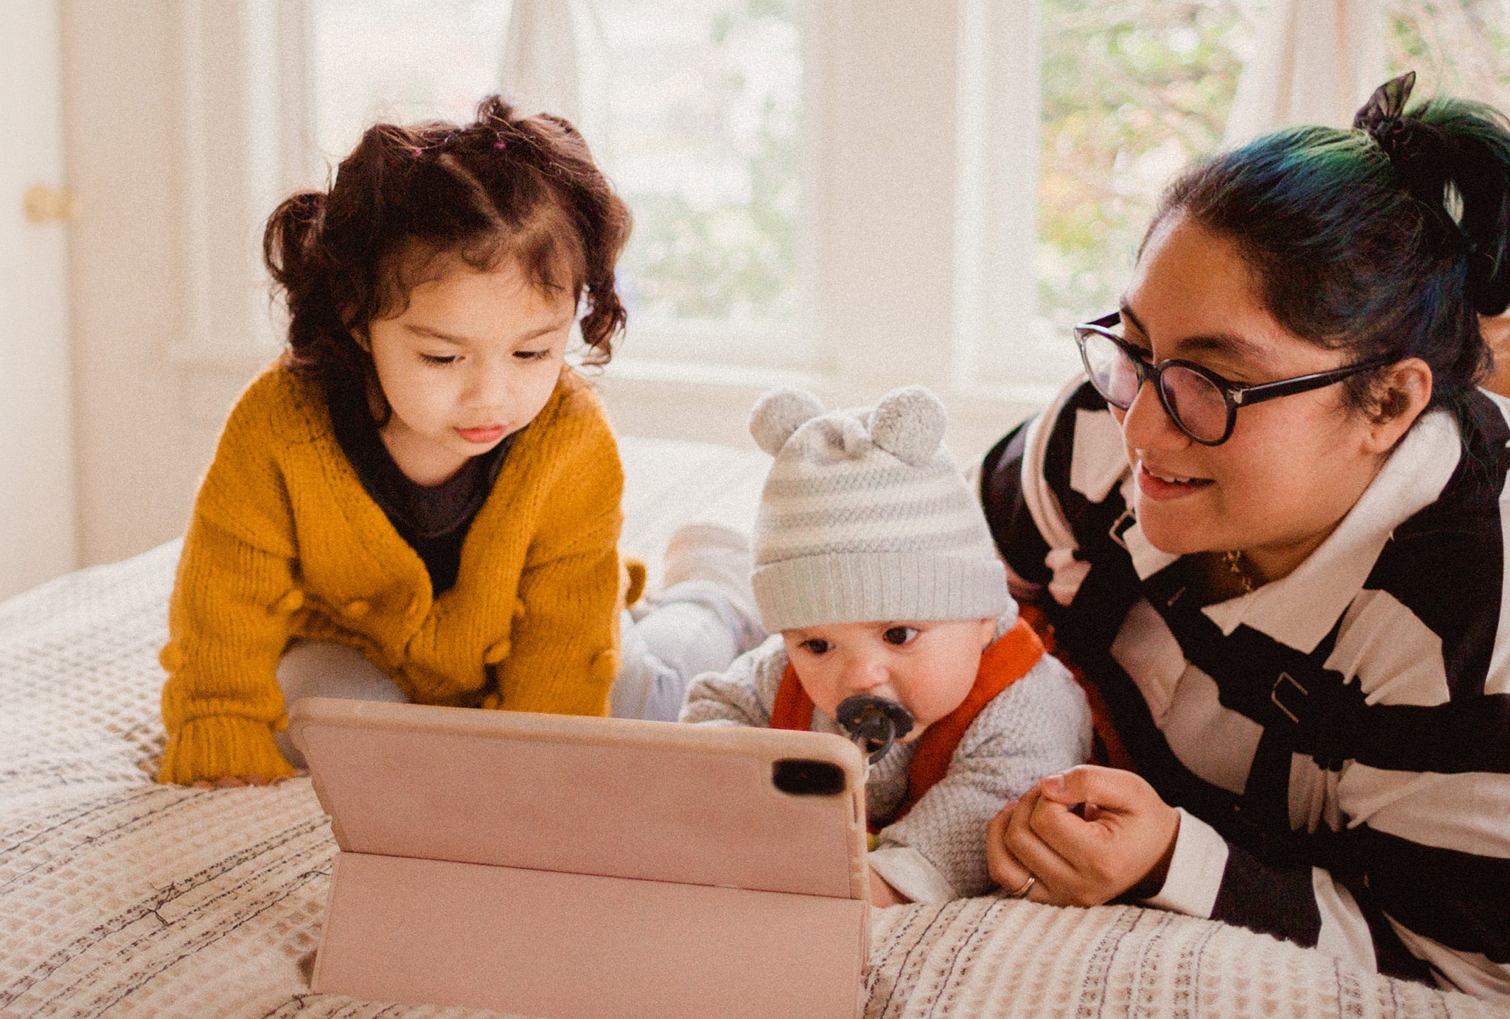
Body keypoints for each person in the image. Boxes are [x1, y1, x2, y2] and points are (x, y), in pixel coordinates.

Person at [979, 72, 1510, 997]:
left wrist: (1177, 865)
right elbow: (964, 598)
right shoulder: (1093, 432)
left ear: (1386, 401)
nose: (1142, 427)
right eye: (1136, 346)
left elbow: (1451, 976)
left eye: (1212, 382)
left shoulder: (1466, 636)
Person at [155, 97, 763, 788]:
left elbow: (563, 649)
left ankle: (716, 588)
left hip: (548, 633)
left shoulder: (570, 441)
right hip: (368, 646)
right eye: (443, 359)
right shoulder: (281, 422)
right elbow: (225, 591)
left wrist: (540, 768)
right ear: (357, 319)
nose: (490, 396)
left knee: (639, 706)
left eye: (533, 353)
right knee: (315, 714)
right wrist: (218, 719)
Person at [683, 385, 1092, 906]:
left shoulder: (1026, 705)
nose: (859, 675)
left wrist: (874, 885)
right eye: (817, 644)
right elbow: (716, 708)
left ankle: (709, 584)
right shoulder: (786, 671)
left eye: (898, 635)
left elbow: (984, 810)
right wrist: (738, 790)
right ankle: (709, 581)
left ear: (983, 617)